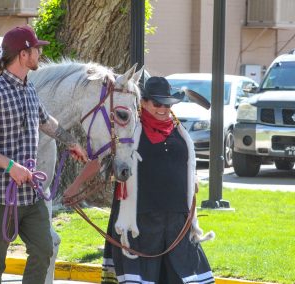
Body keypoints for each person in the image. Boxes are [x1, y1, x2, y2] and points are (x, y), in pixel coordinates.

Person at [0, 25, 88, 284]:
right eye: (36, 49)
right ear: (23, 54)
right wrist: (10, 166)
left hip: (30, 194)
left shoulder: (29, 90)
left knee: (44, 250)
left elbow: (46, 121)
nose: (39, 54)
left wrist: (70, 142)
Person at [64, 76, 214, 284]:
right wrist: (74, 188)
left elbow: (185, 162)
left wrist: (192, 179)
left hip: (177, 221)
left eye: (167, 104)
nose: (163, 109)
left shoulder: (178, 129)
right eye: (157, 104)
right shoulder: (130, 131)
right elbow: (101, 159)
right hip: (139, 221)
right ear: (143, 103)